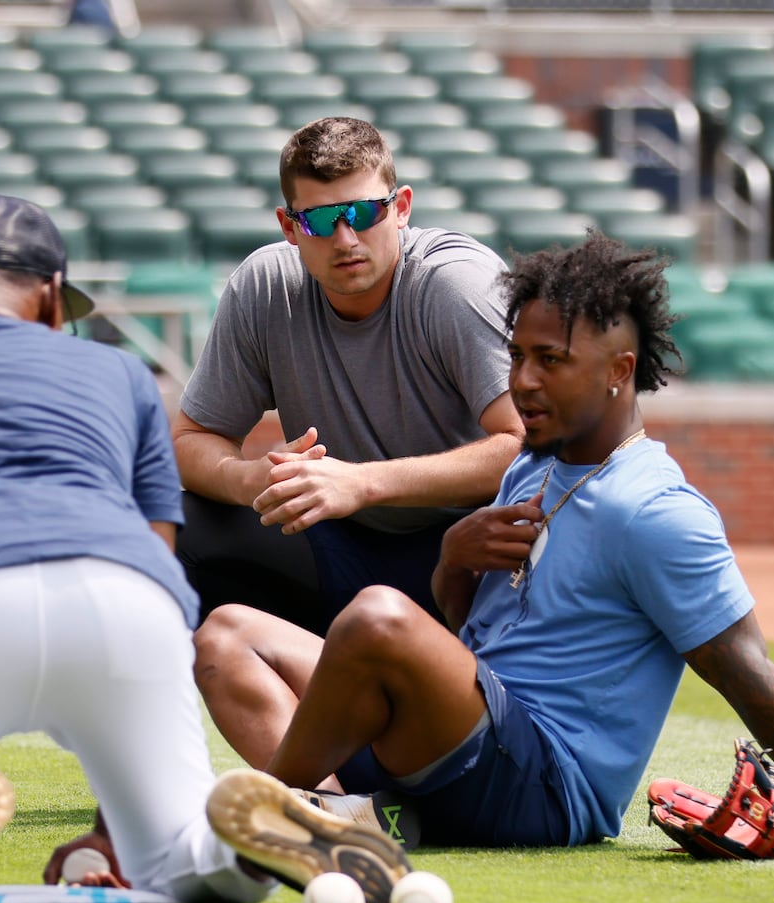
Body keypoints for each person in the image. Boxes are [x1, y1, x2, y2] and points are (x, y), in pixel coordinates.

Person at [0, 194, 411, 903]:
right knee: (170, 854)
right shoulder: (121, 373)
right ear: (45, 294)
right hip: (129, 604)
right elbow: (163, 548)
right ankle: (236, 844)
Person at [190, 231, 774, 851]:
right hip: (472, 745)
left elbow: (751, 674)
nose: (522, 381)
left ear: (619, 372)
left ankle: (266, 824)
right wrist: (454, 557)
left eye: (551, 361)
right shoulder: (532, 466)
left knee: (377, 617)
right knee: (226, 636)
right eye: (517, 356)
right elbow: (466, 635)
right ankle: (350, 826)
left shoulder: (656, 510)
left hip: (548, 786)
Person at [173, 116, 525, 637]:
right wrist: (247, 480)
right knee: (174, 527)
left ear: (401, 208)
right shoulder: (265, 286)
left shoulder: (454, 284)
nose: (346, 239)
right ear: (289, 227)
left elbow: (529, 447)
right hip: (334, 543)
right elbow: (190, 439)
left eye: (363, 213)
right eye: (319, 220)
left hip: (466, 557)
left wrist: (362, 483)